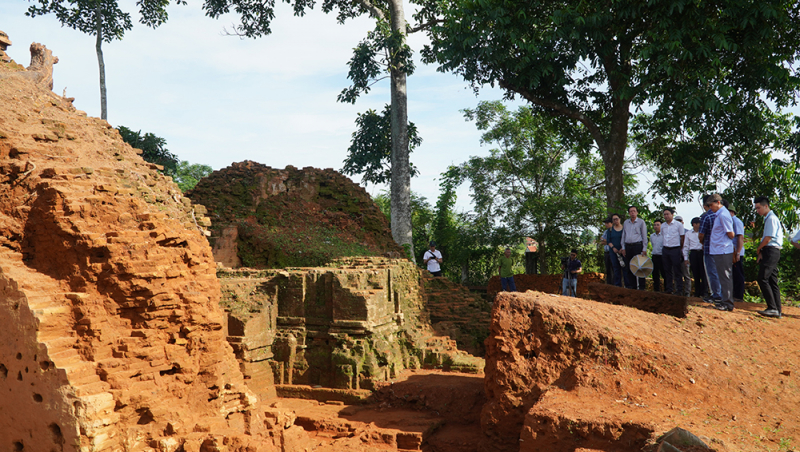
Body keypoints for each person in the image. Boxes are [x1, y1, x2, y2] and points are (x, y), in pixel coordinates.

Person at [754, 196, 784, 318]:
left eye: (759, 208)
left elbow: (768, 238)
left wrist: (759, 248)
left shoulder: (771, 218)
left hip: (771, 250)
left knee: (762, 278)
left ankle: (772, 308)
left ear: (766, 206)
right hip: (771, 250)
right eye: (756, 208)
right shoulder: (769, 218)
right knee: (771, 280)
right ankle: (777, 309)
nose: (757, 211)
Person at [707, 194, 735, 311]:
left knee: (725, 277)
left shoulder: (723, 215)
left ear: (718, 203)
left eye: (711, 205)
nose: (710, 208)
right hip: (718, 250)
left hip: (723, 250)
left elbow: (731, 233)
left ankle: (728, 303)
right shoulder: (719, 215)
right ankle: (725, 301)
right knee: (722, 276)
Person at [698, 196, 722, 303]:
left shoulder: (706, 216)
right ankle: (722, 294)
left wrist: (702, 242)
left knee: (712, 272)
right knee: (721, 272)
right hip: (721, 249)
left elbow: (701, 235)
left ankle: (716, 295)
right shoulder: (722, 215)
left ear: (705, 206)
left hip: (709, 248)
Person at [621, 206, 648, 290]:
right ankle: (633, 287)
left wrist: (644, 249)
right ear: (629, 213)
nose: (632, 213)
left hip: (637, 246)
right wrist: (623, 247)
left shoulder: (641, 222)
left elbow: (644, 236)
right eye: (631, 211)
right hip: (628, 246)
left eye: (634, 211)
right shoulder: (626, 222)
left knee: (640, 266)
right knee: (630, 266)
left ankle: (642, 287)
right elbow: (623, 235)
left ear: (637, 212)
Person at [661, 209, 685, 295]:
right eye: (665, 214)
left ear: (672, 214)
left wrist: (680, 249)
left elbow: (682, 237)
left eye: (668, 214)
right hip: (665, 249)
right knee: (667, 270)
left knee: (677, 270)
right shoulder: (663, 225)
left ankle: (679, 289)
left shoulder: (678, 225)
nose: (666, 216)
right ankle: (669, 289)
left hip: (675, 249)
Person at [684, 217, 706, 298]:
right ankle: (697, 292)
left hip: (702, 253)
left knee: (703, 273)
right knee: (695, 274)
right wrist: (686, 258)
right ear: (694, 224)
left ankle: (704, 292)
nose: (699, 225)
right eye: (697, 223)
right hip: (693, 253)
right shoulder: (688, 233)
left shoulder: (704, 232)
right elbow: (686, 246)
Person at [728, 206, 746, 302]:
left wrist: (738, 253)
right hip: (731, 251)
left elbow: (740, 237)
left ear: (731, 212)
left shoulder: (736, 222)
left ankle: (739, 296)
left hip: (736, 252)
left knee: (738, 273)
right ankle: (734, 294)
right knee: (733, 274)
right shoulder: (730, 222)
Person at [674, 216, 692, 296]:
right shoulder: (673, 232)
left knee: (686, 275)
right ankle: (678, 290)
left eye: (680, 221)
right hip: (675, 255)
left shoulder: (687, 232)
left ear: (683, 222)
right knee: (676, 274)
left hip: (684, 256)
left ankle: (688, 292)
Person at [607, 214, 625, 287]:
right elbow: (608, 241)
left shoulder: (624, 229)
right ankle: (617, 285)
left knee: (625, 268)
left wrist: (622, 248)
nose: (615, 221)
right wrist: (613, 248)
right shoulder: (610, 230)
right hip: (613, 252)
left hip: (623, 251)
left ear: (620, 219)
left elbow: (627, 239)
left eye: (616, 219)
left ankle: (627, 285)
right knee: (616, 268)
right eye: (613, 219)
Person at [650, 220, 664, 292]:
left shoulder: (664, 235)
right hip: (654, 256)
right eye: (655, 225)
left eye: (658, 225)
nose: (656, 226)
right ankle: (656, 290)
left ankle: (667, 289)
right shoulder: (652, 236)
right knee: (655, 274)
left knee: (664, 273)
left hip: (662, 256)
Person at [600, 218, 614, 284]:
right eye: (605, 223)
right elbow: (602, 241)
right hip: (606, 252)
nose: (606, 224)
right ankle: (609, 283)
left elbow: (613, 241)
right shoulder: (605, 232)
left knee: (614, 269)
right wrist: (607, 241)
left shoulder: (614, 231)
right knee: (608, 269)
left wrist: (607, 241)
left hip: (612, 252)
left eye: (608, 223)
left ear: (612, 223)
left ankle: (614, 284)